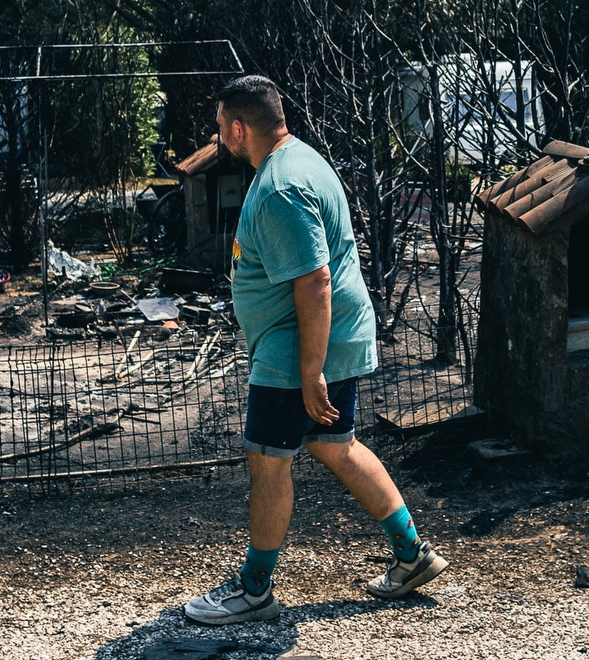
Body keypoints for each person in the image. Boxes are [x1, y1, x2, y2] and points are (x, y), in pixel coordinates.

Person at [184, 75, 449, 624]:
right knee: (335, 445)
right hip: (327, 337)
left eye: (219, 128)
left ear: (238, 127)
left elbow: (314, 281)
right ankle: (413, 554)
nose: (218, 139)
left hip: (296, 348)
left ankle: (254, 589)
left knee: (267, 458)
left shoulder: (280, 186)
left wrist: (310, 371)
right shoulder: (302, 157)